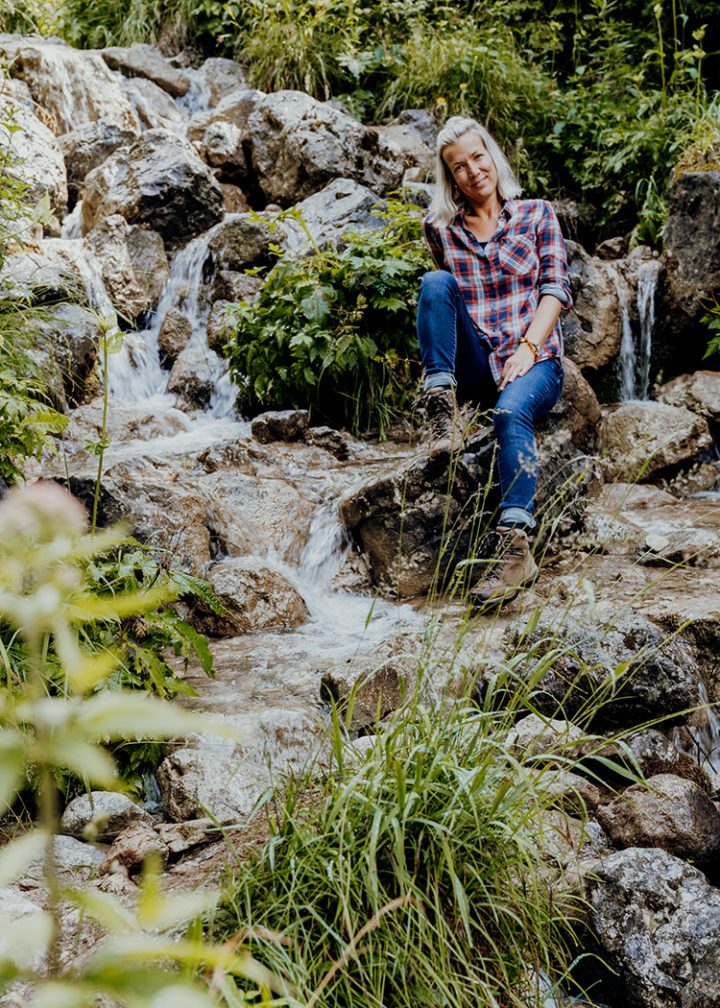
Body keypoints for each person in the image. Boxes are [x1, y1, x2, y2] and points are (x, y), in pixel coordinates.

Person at [416, 115, 572, 606]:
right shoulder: (440, 229)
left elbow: (556, 289)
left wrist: (528, 348)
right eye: (459, 167)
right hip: (479, 365)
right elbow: (445, 307)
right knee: (434, 283)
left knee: (509, 412)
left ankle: (515, 547)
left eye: (477, 157)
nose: (473, 171)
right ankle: (440, 406)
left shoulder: (538, 214)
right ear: (450, 177)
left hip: (536, 362)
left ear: (492, 156)